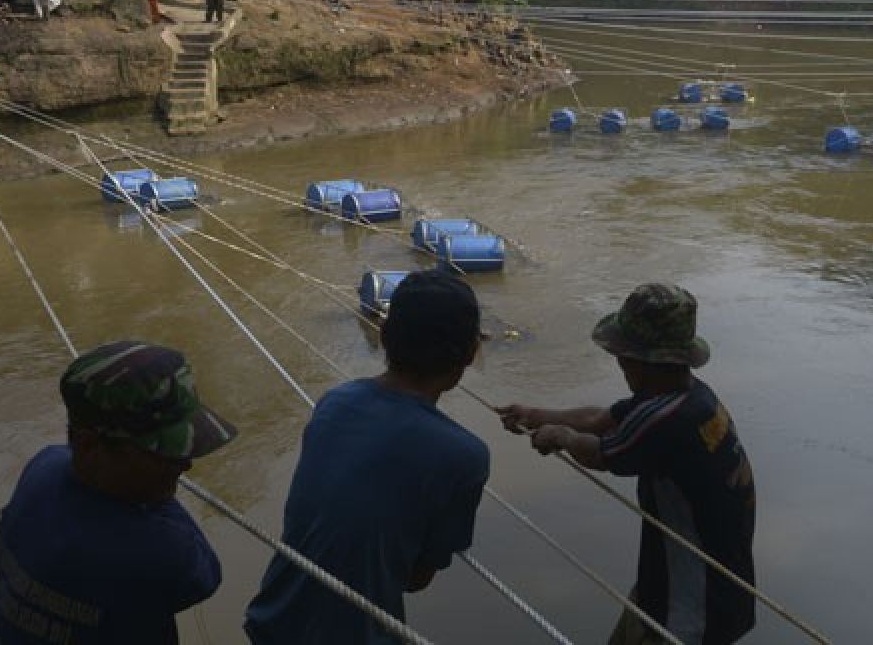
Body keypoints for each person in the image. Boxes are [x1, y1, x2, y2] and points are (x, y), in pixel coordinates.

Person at [499, 284, 757, 645]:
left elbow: (601, 453)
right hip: (714, 589)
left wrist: (561, 437)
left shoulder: (666, 420)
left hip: (689, 608)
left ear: (639, 361)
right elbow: (602, 419)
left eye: (621, 357)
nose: (619, 364)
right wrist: (537, 414)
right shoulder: (692, 398)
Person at [245, 269, 490, 644]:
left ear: (384, 334)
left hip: (273, 620)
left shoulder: (335, 402)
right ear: (472, 352)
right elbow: (416, 579)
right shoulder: (464, 455)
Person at [0, 341, 238, 645]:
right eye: (162, 451)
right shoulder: (164, 551)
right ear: (89, 445)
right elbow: (204, 577)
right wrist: (158, 496)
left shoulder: (43, 466)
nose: (185, 465)